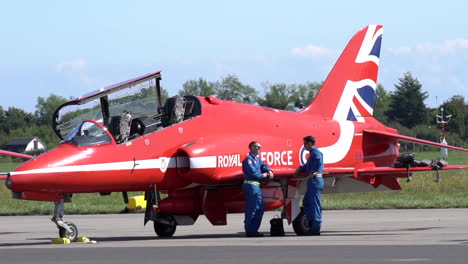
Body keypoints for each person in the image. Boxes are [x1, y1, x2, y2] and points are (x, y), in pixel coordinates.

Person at [242, 141, 274, 237]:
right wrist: (264, 175)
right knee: (252, 208)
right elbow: (253, 174)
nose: (259, 149)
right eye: (257, 147)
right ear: (251, 148)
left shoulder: (257, 159)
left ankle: (254, 230)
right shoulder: (248, 160)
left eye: (260, 147)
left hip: (256, 186)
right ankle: (250, 230)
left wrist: (269, 170)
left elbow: (263, 166)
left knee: (260, 208)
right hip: (251, 185)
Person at [294, 136, 324, 235]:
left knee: (314, 204)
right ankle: (311, 223)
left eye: (305, 143)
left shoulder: (316, 152)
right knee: (307, 202)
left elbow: (318, 161)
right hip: (312, 181)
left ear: (310, 143)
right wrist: (300, 168)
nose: (304, 145)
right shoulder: (312, 154)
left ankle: (315, 229)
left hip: (315, 180)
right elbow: (308, 165)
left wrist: (313, 171)